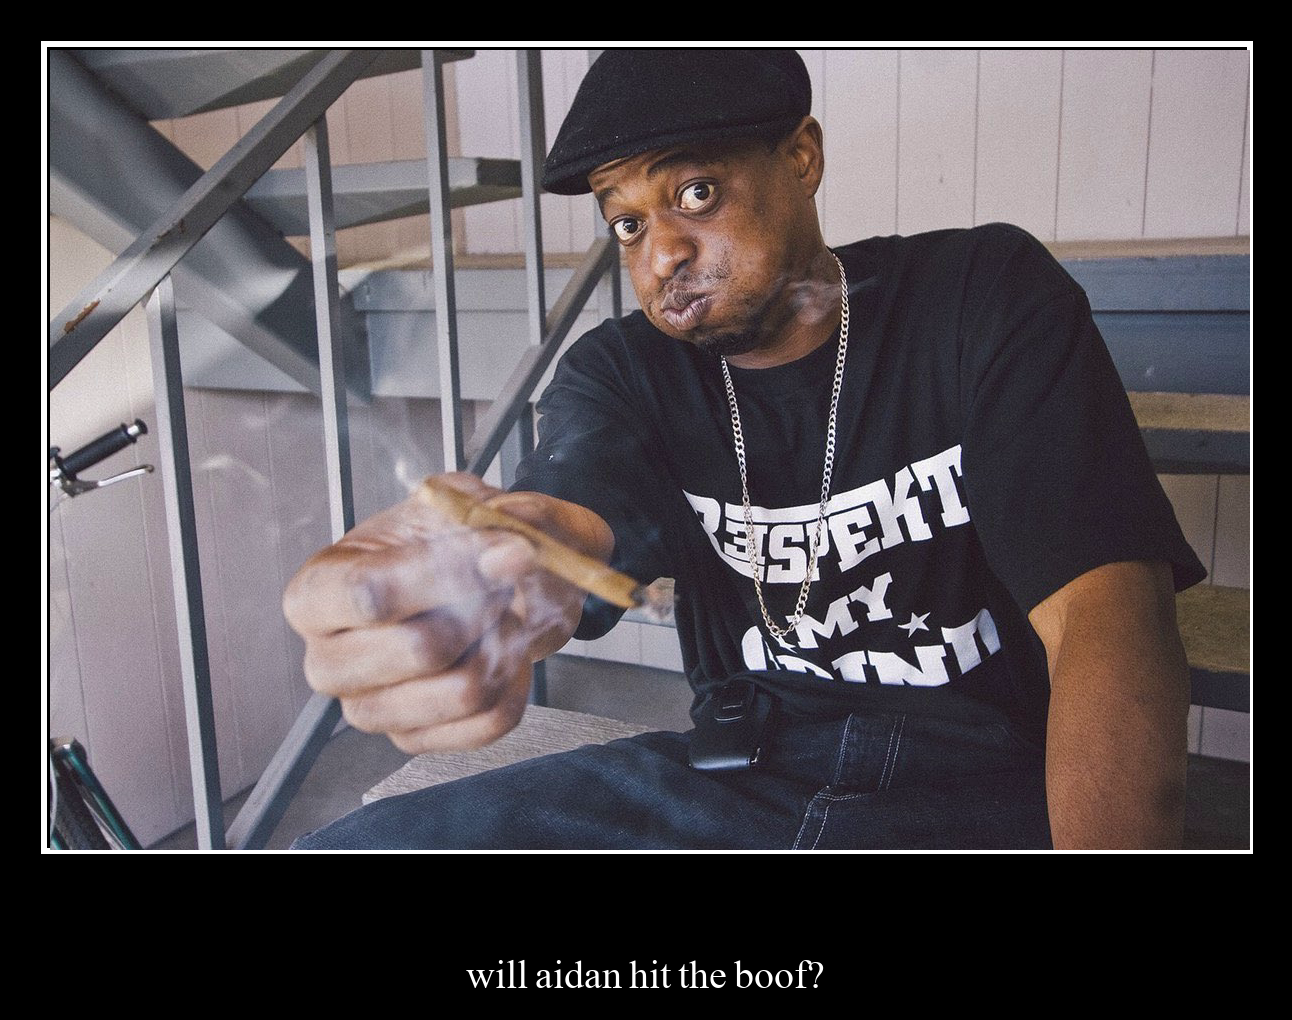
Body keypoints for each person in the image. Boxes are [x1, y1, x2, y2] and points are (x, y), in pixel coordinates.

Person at [285, 50, 1205, 850]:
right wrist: (497, 571)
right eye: (627, 222)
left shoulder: (978, 296)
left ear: (801, 158)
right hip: (742, 773)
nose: (660, 256)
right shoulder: (626, 371)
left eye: (696, 193)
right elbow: (569, 507)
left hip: (987, 778)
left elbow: (1106, 617)